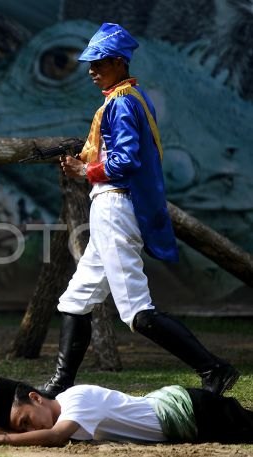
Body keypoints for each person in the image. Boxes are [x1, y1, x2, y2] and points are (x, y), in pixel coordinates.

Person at [44, 22, 238, 397]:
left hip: (115, 205)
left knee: (135, 312)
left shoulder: (120, 102)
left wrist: (86, 169)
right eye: (90, 63)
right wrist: (84, 158)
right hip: (108, 206)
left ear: (118, 62)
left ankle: (214, 368)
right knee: (76, 299)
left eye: (99, 63)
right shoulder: (129, 97)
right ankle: (60, 384)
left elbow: (126, 160)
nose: (91, 70)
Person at [0, 377, 253, 448]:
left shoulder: (77, 399)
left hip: (190, 410)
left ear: (36, 398)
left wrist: (0, 441)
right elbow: (30, 431)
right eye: (21, 429)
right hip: (186, 422)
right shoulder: (64, 411)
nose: (26, 430)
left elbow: (54, 436)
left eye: (24, 422)